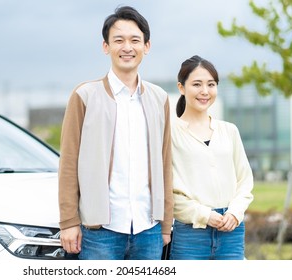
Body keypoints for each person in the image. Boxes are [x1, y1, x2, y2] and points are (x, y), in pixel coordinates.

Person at [58, 5, 173, 260]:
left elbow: (165, 164)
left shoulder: (159, 98)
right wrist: (68, 221)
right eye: (118, 40)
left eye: (135, 40)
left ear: (147, 46)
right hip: (101, 232)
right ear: (105, 46)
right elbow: (68, 164)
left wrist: (166, 223)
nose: (127, 47)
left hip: (149, 230)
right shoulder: (85, 95)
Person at [169, 55, 254, 260]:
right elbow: (168, 192)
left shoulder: (229, 131)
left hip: (231, 232)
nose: (205, 91)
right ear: (181, 87)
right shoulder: (170, 132)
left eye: (211, 84)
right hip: (191, 235)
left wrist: (234, 213)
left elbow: (245, 181)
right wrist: (206, 215)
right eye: (197, 84)